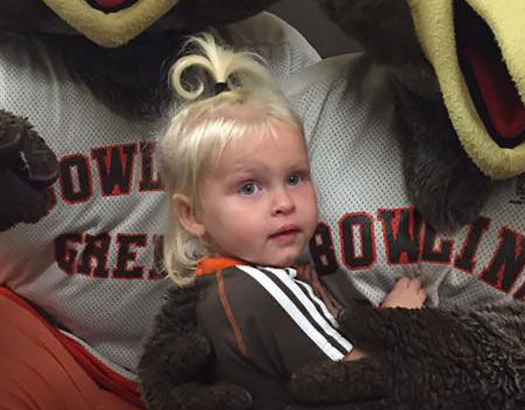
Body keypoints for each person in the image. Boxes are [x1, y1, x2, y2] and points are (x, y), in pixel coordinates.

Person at [148, 35, 425, 410]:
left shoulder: (222, 284)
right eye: (249, 187)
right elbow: (347, 383)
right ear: (193, 215)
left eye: (295, 178)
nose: (283, 203)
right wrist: (394, 320)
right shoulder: (264, 290)